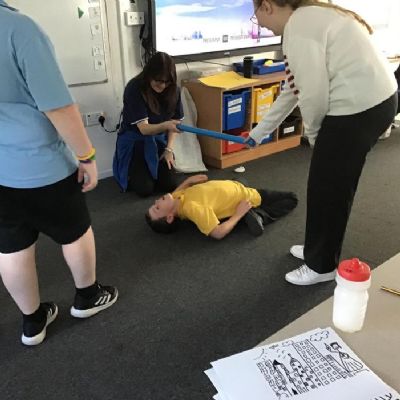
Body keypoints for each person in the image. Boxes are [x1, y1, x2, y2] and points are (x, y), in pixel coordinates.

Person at [247, 0, 398, 285]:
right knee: (325, 185)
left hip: (359, 109)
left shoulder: (299, 27)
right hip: (375, 101)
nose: (261, 25)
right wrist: (259, 132)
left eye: (256, 17)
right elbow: (294, 88)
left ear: (267, 6)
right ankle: (316, 250)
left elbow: (313, 95)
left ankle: (322, 265)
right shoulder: (308, 17)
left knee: (329, 189)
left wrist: (316, 138)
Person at [0, 1, 117, 346]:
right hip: (43, 166)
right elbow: (59, 106)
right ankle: (88, 297)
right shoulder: (18, 29)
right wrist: (87, 156)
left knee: (12, 247)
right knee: (75, 232)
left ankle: (32, 323)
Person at [113, 52, 183, 196]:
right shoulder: (134, 88)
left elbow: (175, 125)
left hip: (158, 142)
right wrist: (166, 125)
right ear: (149, 74)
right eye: (158, 80)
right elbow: (144, 129)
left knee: (170, 185)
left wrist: (169, 149)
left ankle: (152, 172)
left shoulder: (173, 90)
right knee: (144, 190)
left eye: (167, 82)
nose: (162, 85)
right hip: (135, 143)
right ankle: (135, 171)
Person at [145, 175, 298, 239]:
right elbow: (217, 233)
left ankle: (248, 209)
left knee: (239, 179)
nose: (157, 201)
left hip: (234, 187)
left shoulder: (175, 199)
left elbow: (178, 190)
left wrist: (189, 180)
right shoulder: (192, 208)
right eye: (157, 208)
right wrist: (238, 214)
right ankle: (259, 215)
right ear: (169, 217)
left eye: (154, 204)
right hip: (246, 197)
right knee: (291, 198)